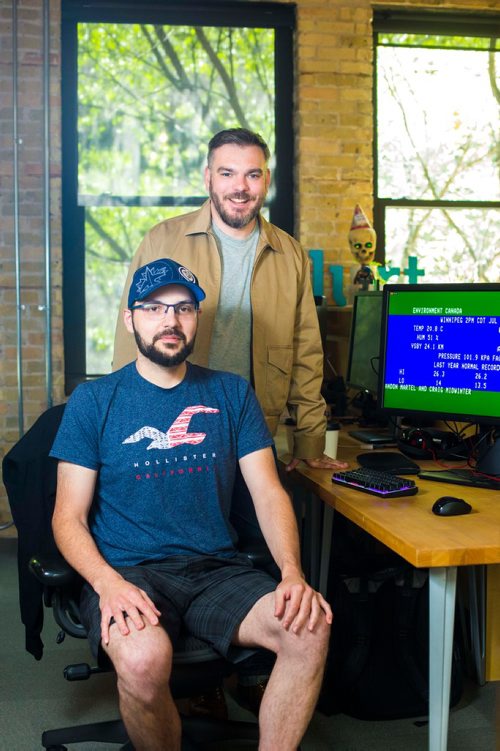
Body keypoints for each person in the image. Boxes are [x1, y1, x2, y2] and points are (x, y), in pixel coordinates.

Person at [50, 258, 332, 751]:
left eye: (183, 308)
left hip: (216, 568)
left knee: (308, 629)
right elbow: (66, 516)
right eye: (154, 308)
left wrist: (292, 573)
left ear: (197, 319)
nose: (170, 321)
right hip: (128, 570)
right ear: (130, 318)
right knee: (141, 661)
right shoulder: (93, 402)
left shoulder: (230, 393)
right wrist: (107, 584)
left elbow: (268, 492)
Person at [113, 127, 347, 715]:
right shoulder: (165, 240)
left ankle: (251, 669)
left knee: (252, 551)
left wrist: (310, 435)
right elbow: (134, 338)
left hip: (253, 428)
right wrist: (123, 432)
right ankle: (198, 690)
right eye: (227, 173)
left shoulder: (287, 251)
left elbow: (305, 349)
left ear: (265, 180)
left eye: (252, 174)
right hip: (181, 432)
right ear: (208, 177)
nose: (239, 187)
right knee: (184, 551)